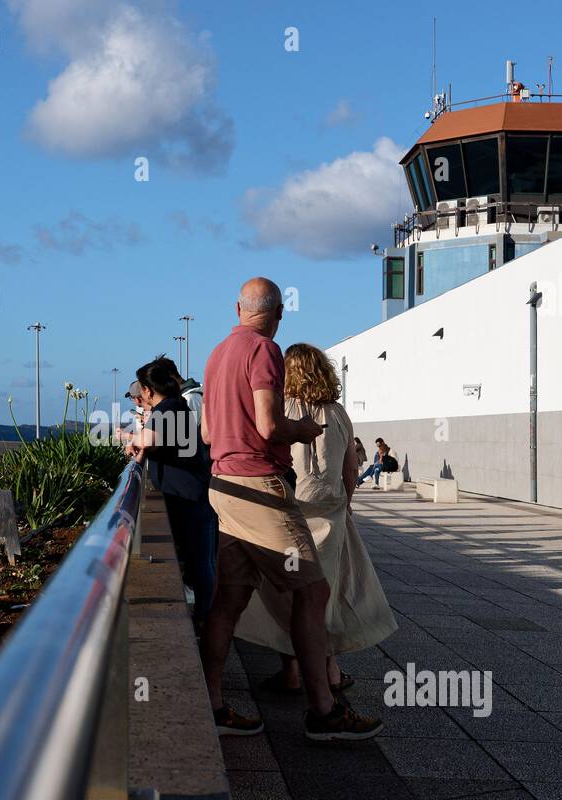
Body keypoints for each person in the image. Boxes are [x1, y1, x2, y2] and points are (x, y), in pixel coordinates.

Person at [201, 276, 383, 741]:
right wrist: (299, 431)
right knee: (313, 592)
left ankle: (212, 703)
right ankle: (323, 710)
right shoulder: (263, 350)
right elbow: (267, 425)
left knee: (229, 598)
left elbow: (205, 435)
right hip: (260, 485)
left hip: (222, 484)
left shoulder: (217, 354)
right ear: (279, 313)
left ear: (236, 309)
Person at [237, 343, 398, 692]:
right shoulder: (338, 414)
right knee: (326, 591)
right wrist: (347, 503)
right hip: (332, 513)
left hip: (289, 511)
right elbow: (351, 469)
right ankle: (331, 671)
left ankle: (292, 672)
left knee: (283, 591)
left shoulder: (279, 409)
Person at [128, 360, 215, 631]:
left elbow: (151, 440)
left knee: (199, 561)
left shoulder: (170, 408)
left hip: (189, 496)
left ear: (148, 390)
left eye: (142, 390)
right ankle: (205, 616)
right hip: (186, 494)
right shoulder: (173, 406)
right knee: (198, 560)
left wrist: (133, 440)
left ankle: (206, 619)